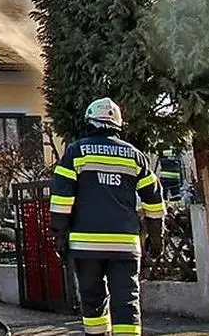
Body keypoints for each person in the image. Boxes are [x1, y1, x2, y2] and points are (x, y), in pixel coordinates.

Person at [49, 97, 166, 336]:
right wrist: (156, 239)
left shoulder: (75, 152)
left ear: (90, 122)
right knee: (127, 303)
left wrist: (60, 237)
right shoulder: (135, 156)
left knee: (93, 302)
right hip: (125, 245)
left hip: (86, 246)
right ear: (118, 125)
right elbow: (154, 200)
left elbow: (61, 198)